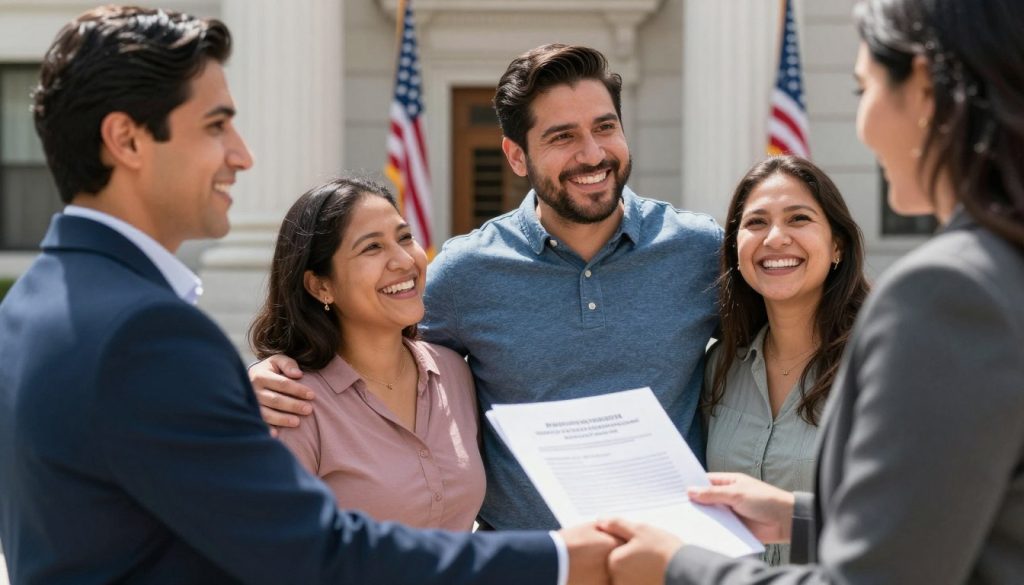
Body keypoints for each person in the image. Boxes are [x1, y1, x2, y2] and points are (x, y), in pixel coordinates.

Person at [0, 7, 616, 584]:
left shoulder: (28, 306)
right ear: (127, 140)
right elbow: (309, 551)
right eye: (216, 125)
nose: (240, 155)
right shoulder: (148, 333)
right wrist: (562, 557)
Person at [601, 0, 1024, 583]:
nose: (862, 123)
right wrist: (793, 517)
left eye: (861, 90)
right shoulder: (999, 269)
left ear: (922, 89)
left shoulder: (948, 291)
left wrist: (677, 567)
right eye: (755, 224)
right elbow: (947, 519)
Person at [250, 43, 723, 531]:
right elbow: (365, 336)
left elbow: (778, 347)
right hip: (526, 567)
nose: (593, 154)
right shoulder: (462, 273)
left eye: (605, 127)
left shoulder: (700, 250)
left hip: (669, 562)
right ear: (516, 156)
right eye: (563, 136)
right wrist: (265, 381)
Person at [249, 177, 485, 530]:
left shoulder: (454, 372)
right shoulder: (292, 403)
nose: (404, 260)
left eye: (405, 237)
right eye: (372, 248)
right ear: (321, 285)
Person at [703, 155, 868, 565]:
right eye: (756, 222)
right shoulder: (718, 367)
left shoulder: (880, 368)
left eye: (798, 219)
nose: (775, 238)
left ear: (837, 246)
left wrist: (791, 512)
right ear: (735, 248)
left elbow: (916, 513)